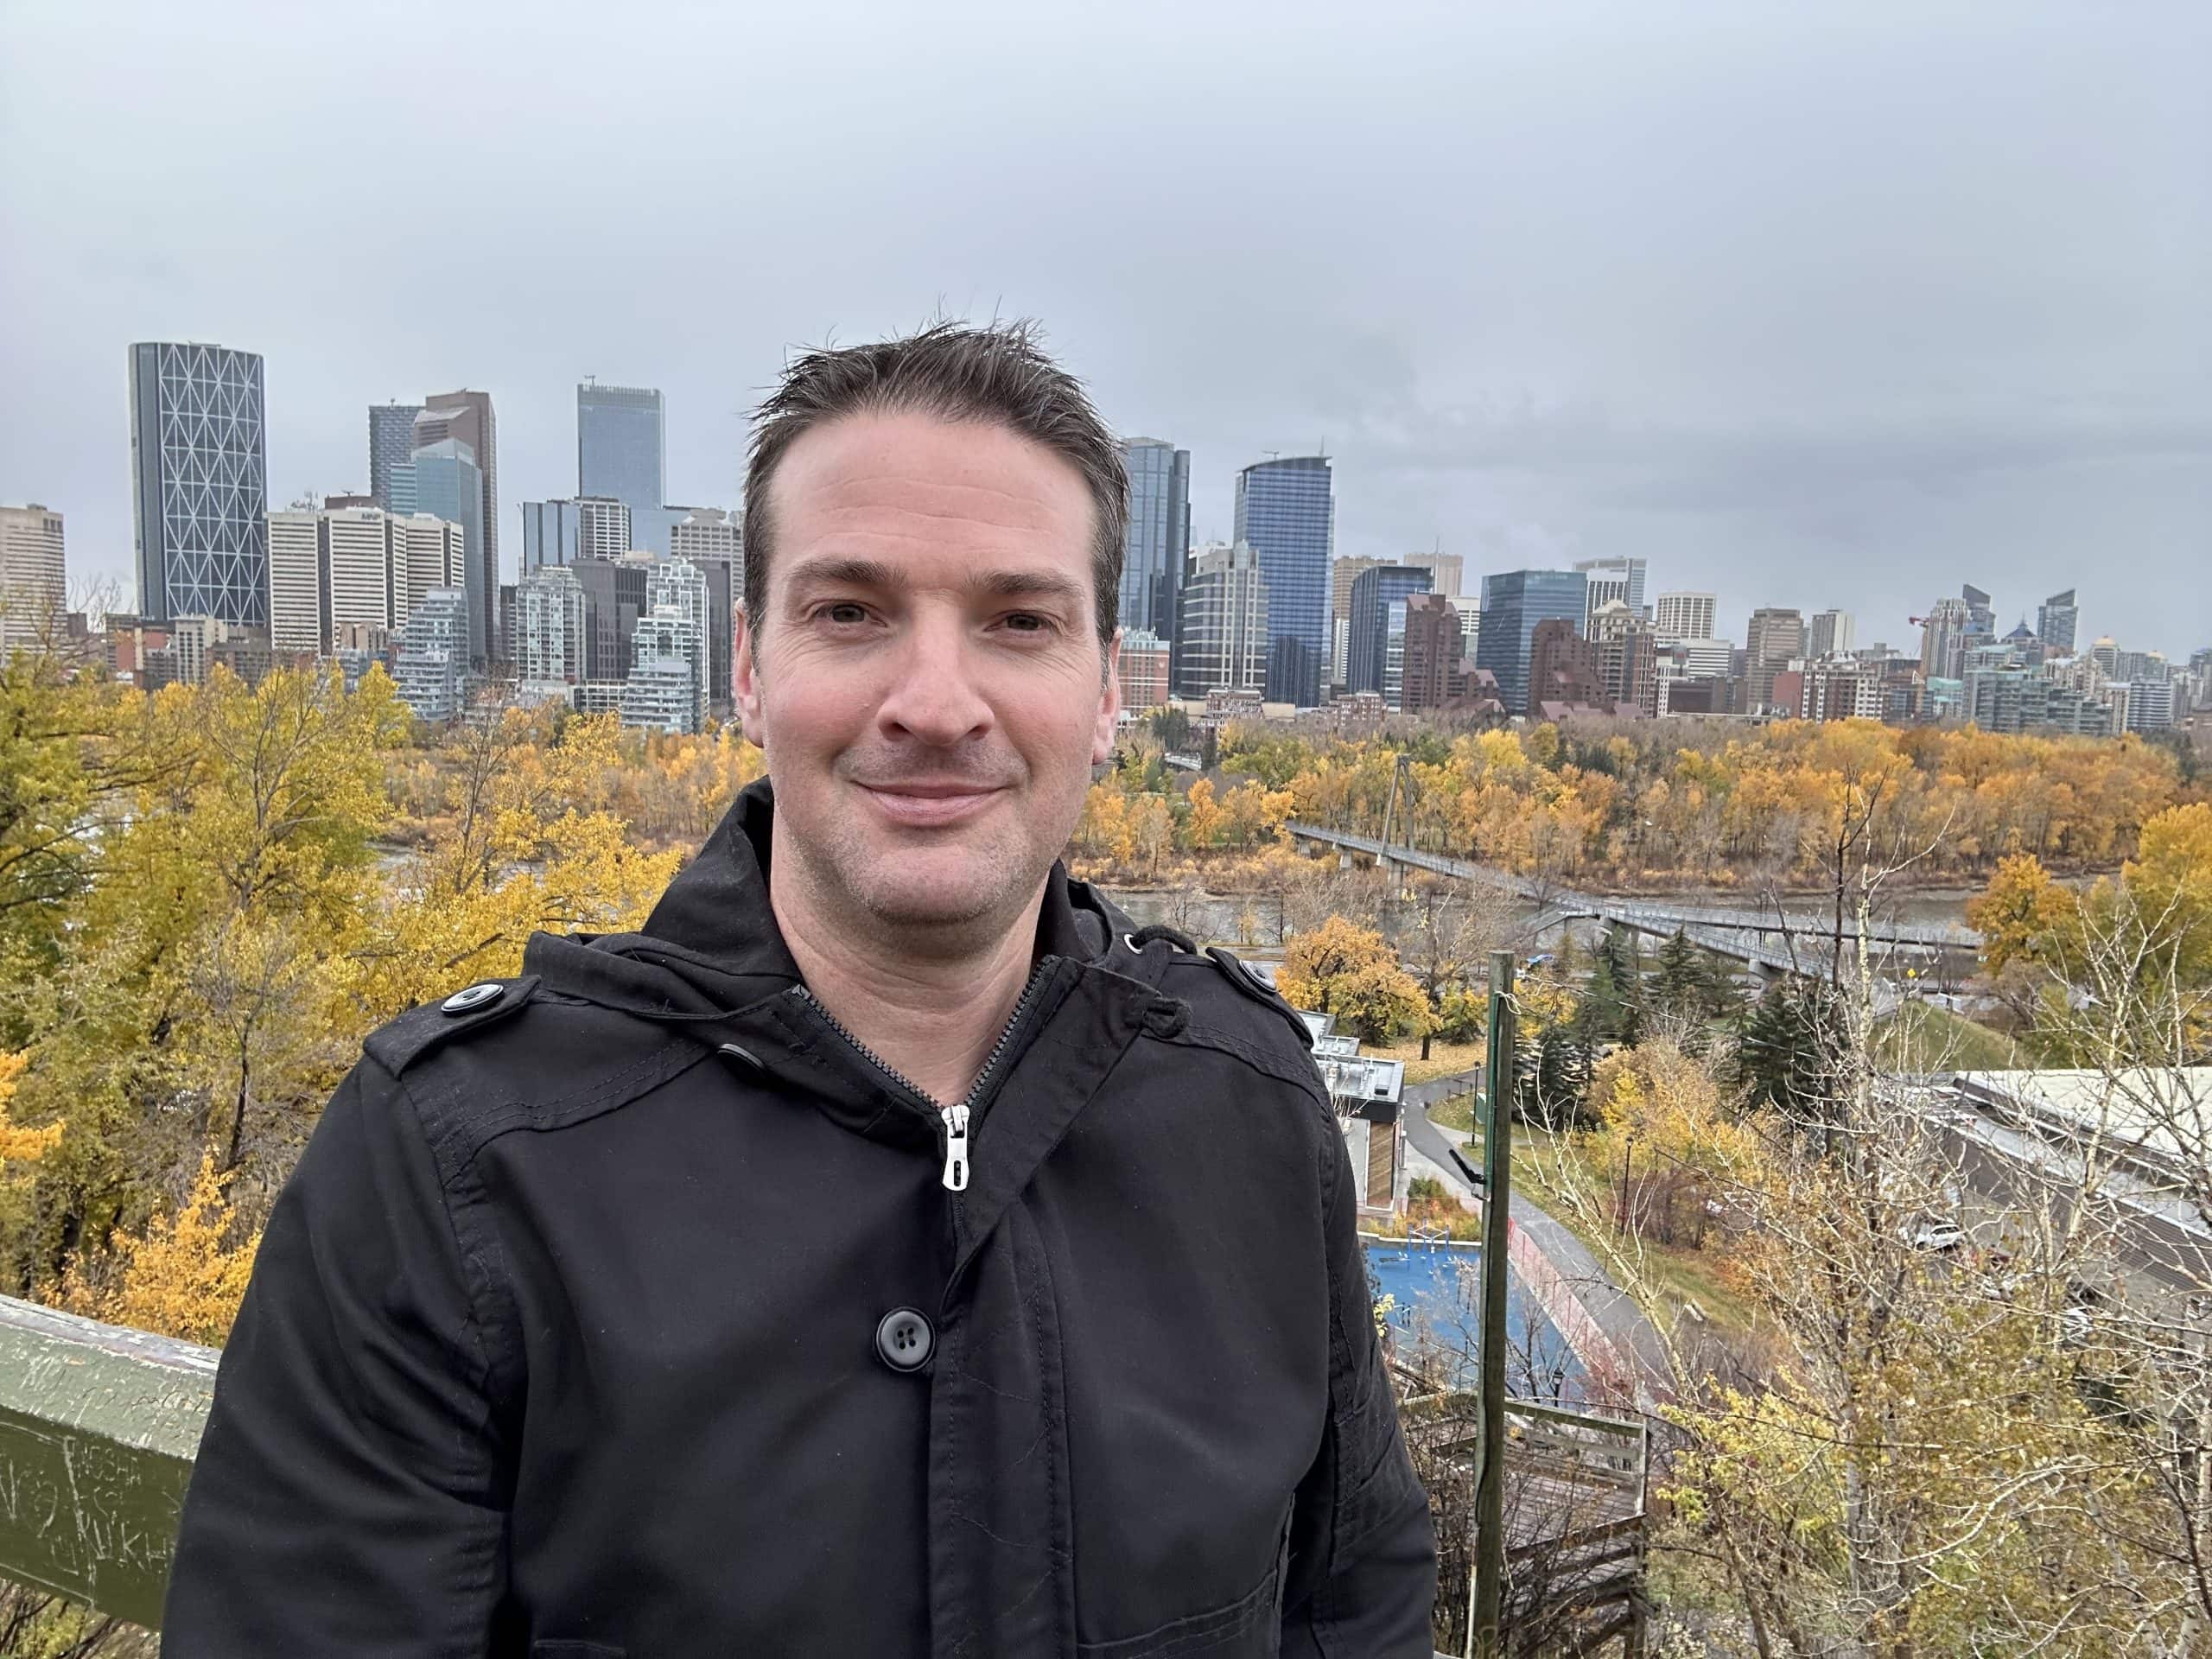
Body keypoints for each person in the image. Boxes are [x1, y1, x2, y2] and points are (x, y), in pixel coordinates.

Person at [163, 321, 1437, 1656]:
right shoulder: (458, 1166)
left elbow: (1357, 1605)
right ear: (750, 668)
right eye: (850, 613)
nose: (937, 702)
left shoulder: (1249, 1111)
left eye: (1018, 620)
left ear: (1110, 688)